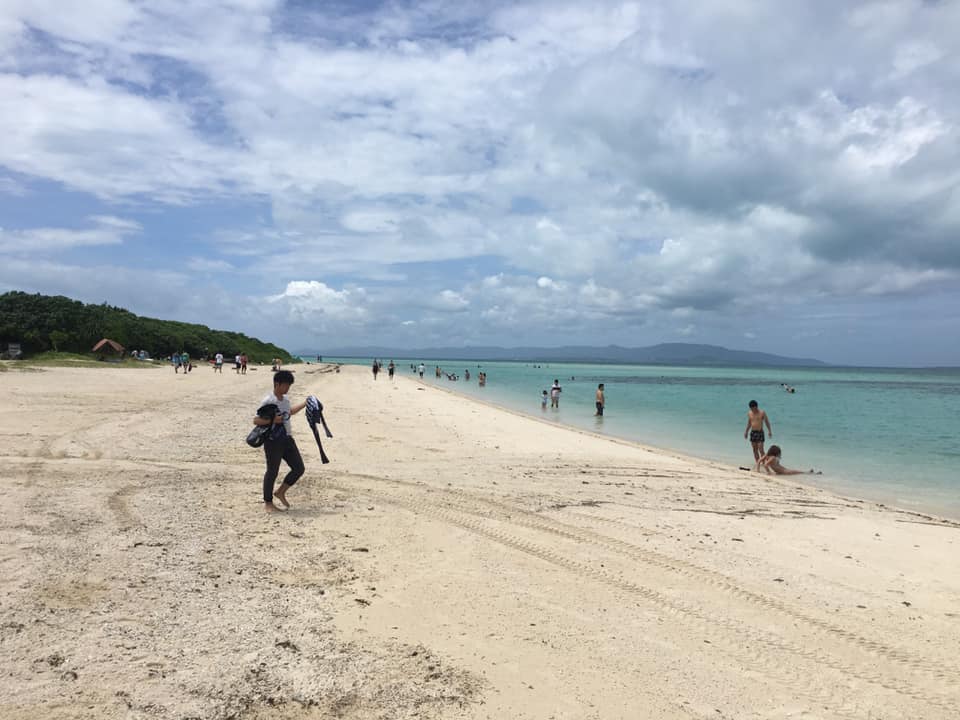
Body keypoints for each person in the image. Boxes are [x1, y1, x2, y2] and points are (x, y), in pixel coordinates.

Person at [252, 370, 307, 512]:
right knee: (272, 471)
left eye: (289, 385)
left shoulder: (285, 400)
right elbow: (256, 420)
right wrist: (273, 420)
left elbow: (289, 413)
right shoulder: (268, 400)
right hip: (273, 440)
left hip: (287, 438)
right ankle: (268, 503)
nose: (288, 388)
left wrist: (305, 403)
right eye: (286, 385)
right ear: (277, 384)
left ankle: (281, 491)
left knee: (299, 468)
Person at [756, 445, 821, 475]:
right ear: (775, 452)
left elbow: (759, 461)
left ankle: (810, 472)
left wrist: (758, 470)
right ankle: (811, 473)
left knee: (798, 472)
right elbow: (765, 465)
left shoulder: (766, 455)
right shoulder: (772, 457)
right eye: (779, 453)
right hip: (784, 471)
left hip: (783, 471)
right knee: (799, 472)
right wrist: (769, 472)